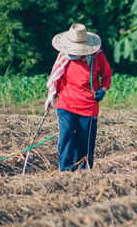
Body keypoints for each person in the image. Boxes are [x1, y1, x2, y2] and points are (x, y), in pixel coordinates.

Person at [45, 23, 112, 171]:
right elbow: (55, 77)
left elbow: (106, 75)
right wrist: (51, 96)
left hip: (88, 106)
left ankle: (84, 171)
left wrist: (103, 89)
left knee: (84, 141)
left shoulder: (97, 57)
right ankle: (66, 170)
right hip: (66, 103)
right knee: (67, 134)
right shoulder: (64, 57)